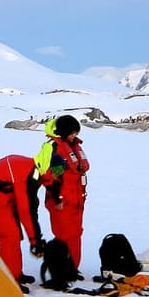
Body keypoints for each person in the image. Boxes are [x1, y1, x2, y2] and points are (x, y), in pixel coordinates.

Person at [0, 154, 46, 290]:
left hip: (5, 196)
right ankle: (10, 281)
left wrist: (35, 238)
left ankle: (13, 272)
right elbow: (25, 211)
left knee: (13, 233)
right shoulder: (27, 175)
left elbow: (31, 206)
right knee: (10, 236)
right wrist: (35, 241)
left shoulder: (35, 170)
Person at [34, 115, 89, 272]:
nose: (74, 136)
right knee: (63, 235)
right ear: (64, 131)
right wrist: (57, 197)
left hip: (77, 199)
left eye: (75, 133)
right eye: (72, 133)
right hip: (61, 200)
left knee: (76, 234)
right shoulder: (53, 148)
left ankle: (73, 268)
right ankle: (61, 271)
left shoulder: (73, 146)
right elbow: (48, 175)